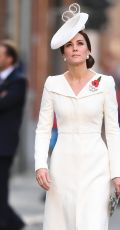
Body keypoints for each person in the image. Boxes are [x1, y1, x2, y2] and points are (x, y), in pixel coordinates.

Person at [34, 3, 120, 230]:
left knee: (92, 224)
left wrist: (117, 172)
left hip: (96, 165)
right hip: (62, 164)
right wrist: (40, 165)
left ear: (88, 50)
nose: (75, 48)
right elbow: (43, 128)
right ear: (63, 54)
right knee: (61, 224)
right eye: (69, 45)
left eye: (80, 43)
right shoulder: (52, 84)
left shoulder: (105, 83)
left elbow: (112, 130)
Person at [0, 41, 27, 230]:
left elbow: (5, 104)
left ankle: (7, 222)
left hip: (4, 142)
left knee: (1, 185)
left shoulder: (18, 81)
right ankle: (13, 221)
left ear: (9, 59)